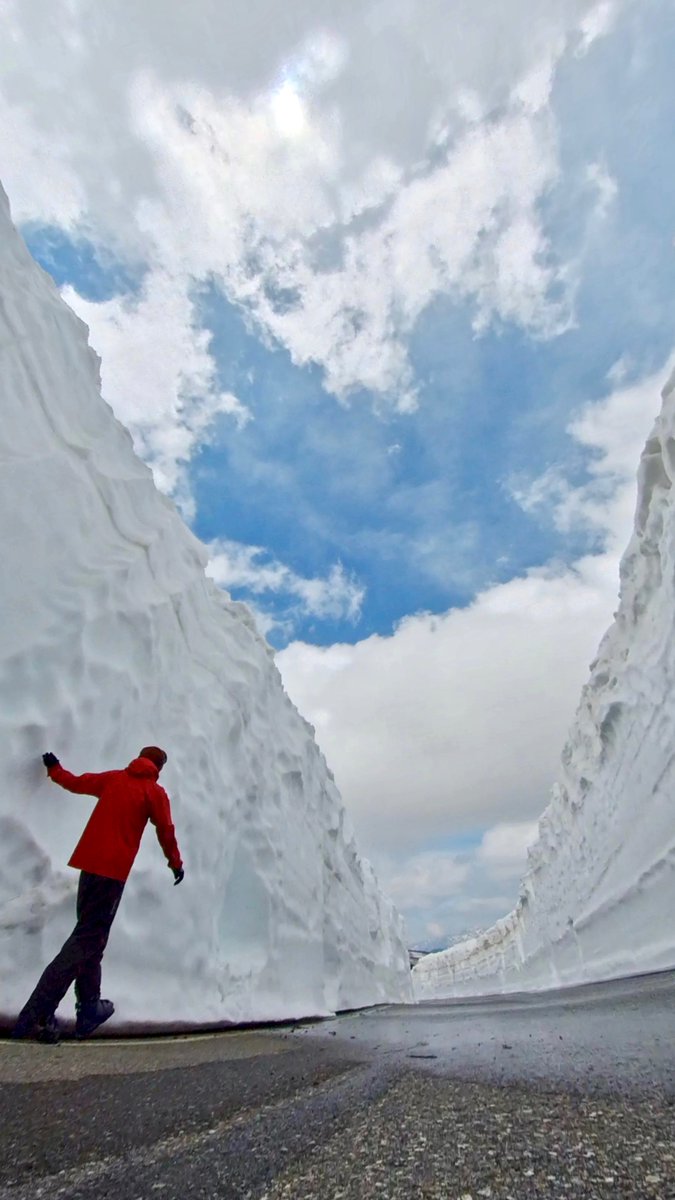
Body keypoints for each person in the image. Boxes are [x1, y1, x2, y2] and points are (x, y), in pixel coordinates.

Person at [12, 746, 184, 1043]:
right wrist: (176, 864)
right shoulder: (154, 793)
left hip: (88, 869)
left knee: (92, 938)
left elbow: (77, 782)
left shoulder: (114, 779)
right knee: (85, 941)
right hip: (111, 875)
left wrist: (55, 769)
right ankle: (36, 1015)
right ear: (159, 767)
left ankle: (88, 1008)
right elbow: (165, 830)